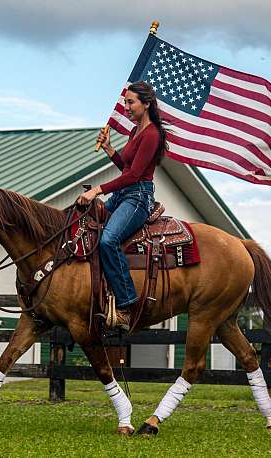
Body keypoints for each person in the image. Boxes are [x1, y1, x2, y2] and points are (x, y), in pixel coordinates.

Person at [77, 81, 168, 331]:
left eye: (131, 102)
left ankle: (128, 303)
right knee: (86, 226)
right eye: (126, 102)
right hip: (124, 193)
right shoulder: (136, 130)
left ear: (146, 104)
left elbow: (135, 175)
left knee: (108, 240)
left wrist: (98, 189)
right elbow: (127, 168)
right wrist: (109, 149)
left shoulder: (152, 134)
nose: (126, 107)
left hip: (138, 198)